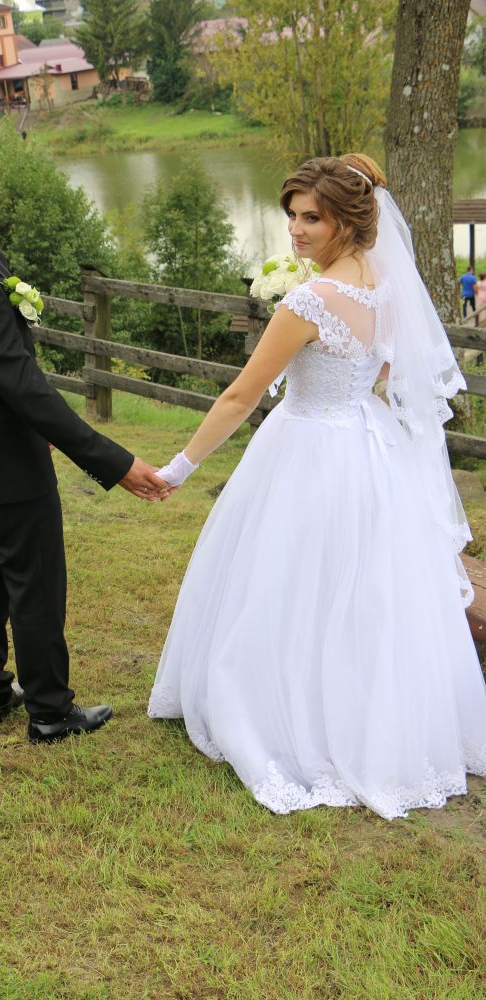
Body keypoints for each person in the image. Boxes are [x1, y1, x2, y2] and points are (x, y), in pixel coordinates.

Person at [149, 154, 486, 820]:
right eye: (292, 216)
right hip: (368, 445)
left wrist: (178, 468)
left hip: (305, 443)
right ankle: (372, 713)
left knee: (287, 578)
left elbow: (241, 395)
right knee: (360, 587)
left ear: (347, 223)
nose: (296, 230)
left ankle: (284, 708)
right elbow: (388, 369)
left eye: (312, 218)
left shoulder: (307, 300)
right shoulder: (387, 286)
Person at [0, 130, 168, 744]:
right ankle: (51, 712)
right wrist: (113, 461)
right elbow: (24, 387)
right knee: (34, 586)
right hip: (5, 465)